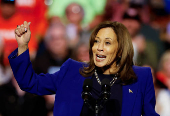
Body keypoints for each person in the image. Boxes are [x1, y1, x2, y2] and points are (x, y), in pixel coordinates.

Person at [8, 21, 159, 116]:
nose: (99, 48)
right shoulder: (72, 71)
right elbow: (30, 83)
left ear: (120, 50)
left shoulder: (140, 77)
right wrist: (22, 46)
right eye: (96, 42)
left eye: (107, 43)